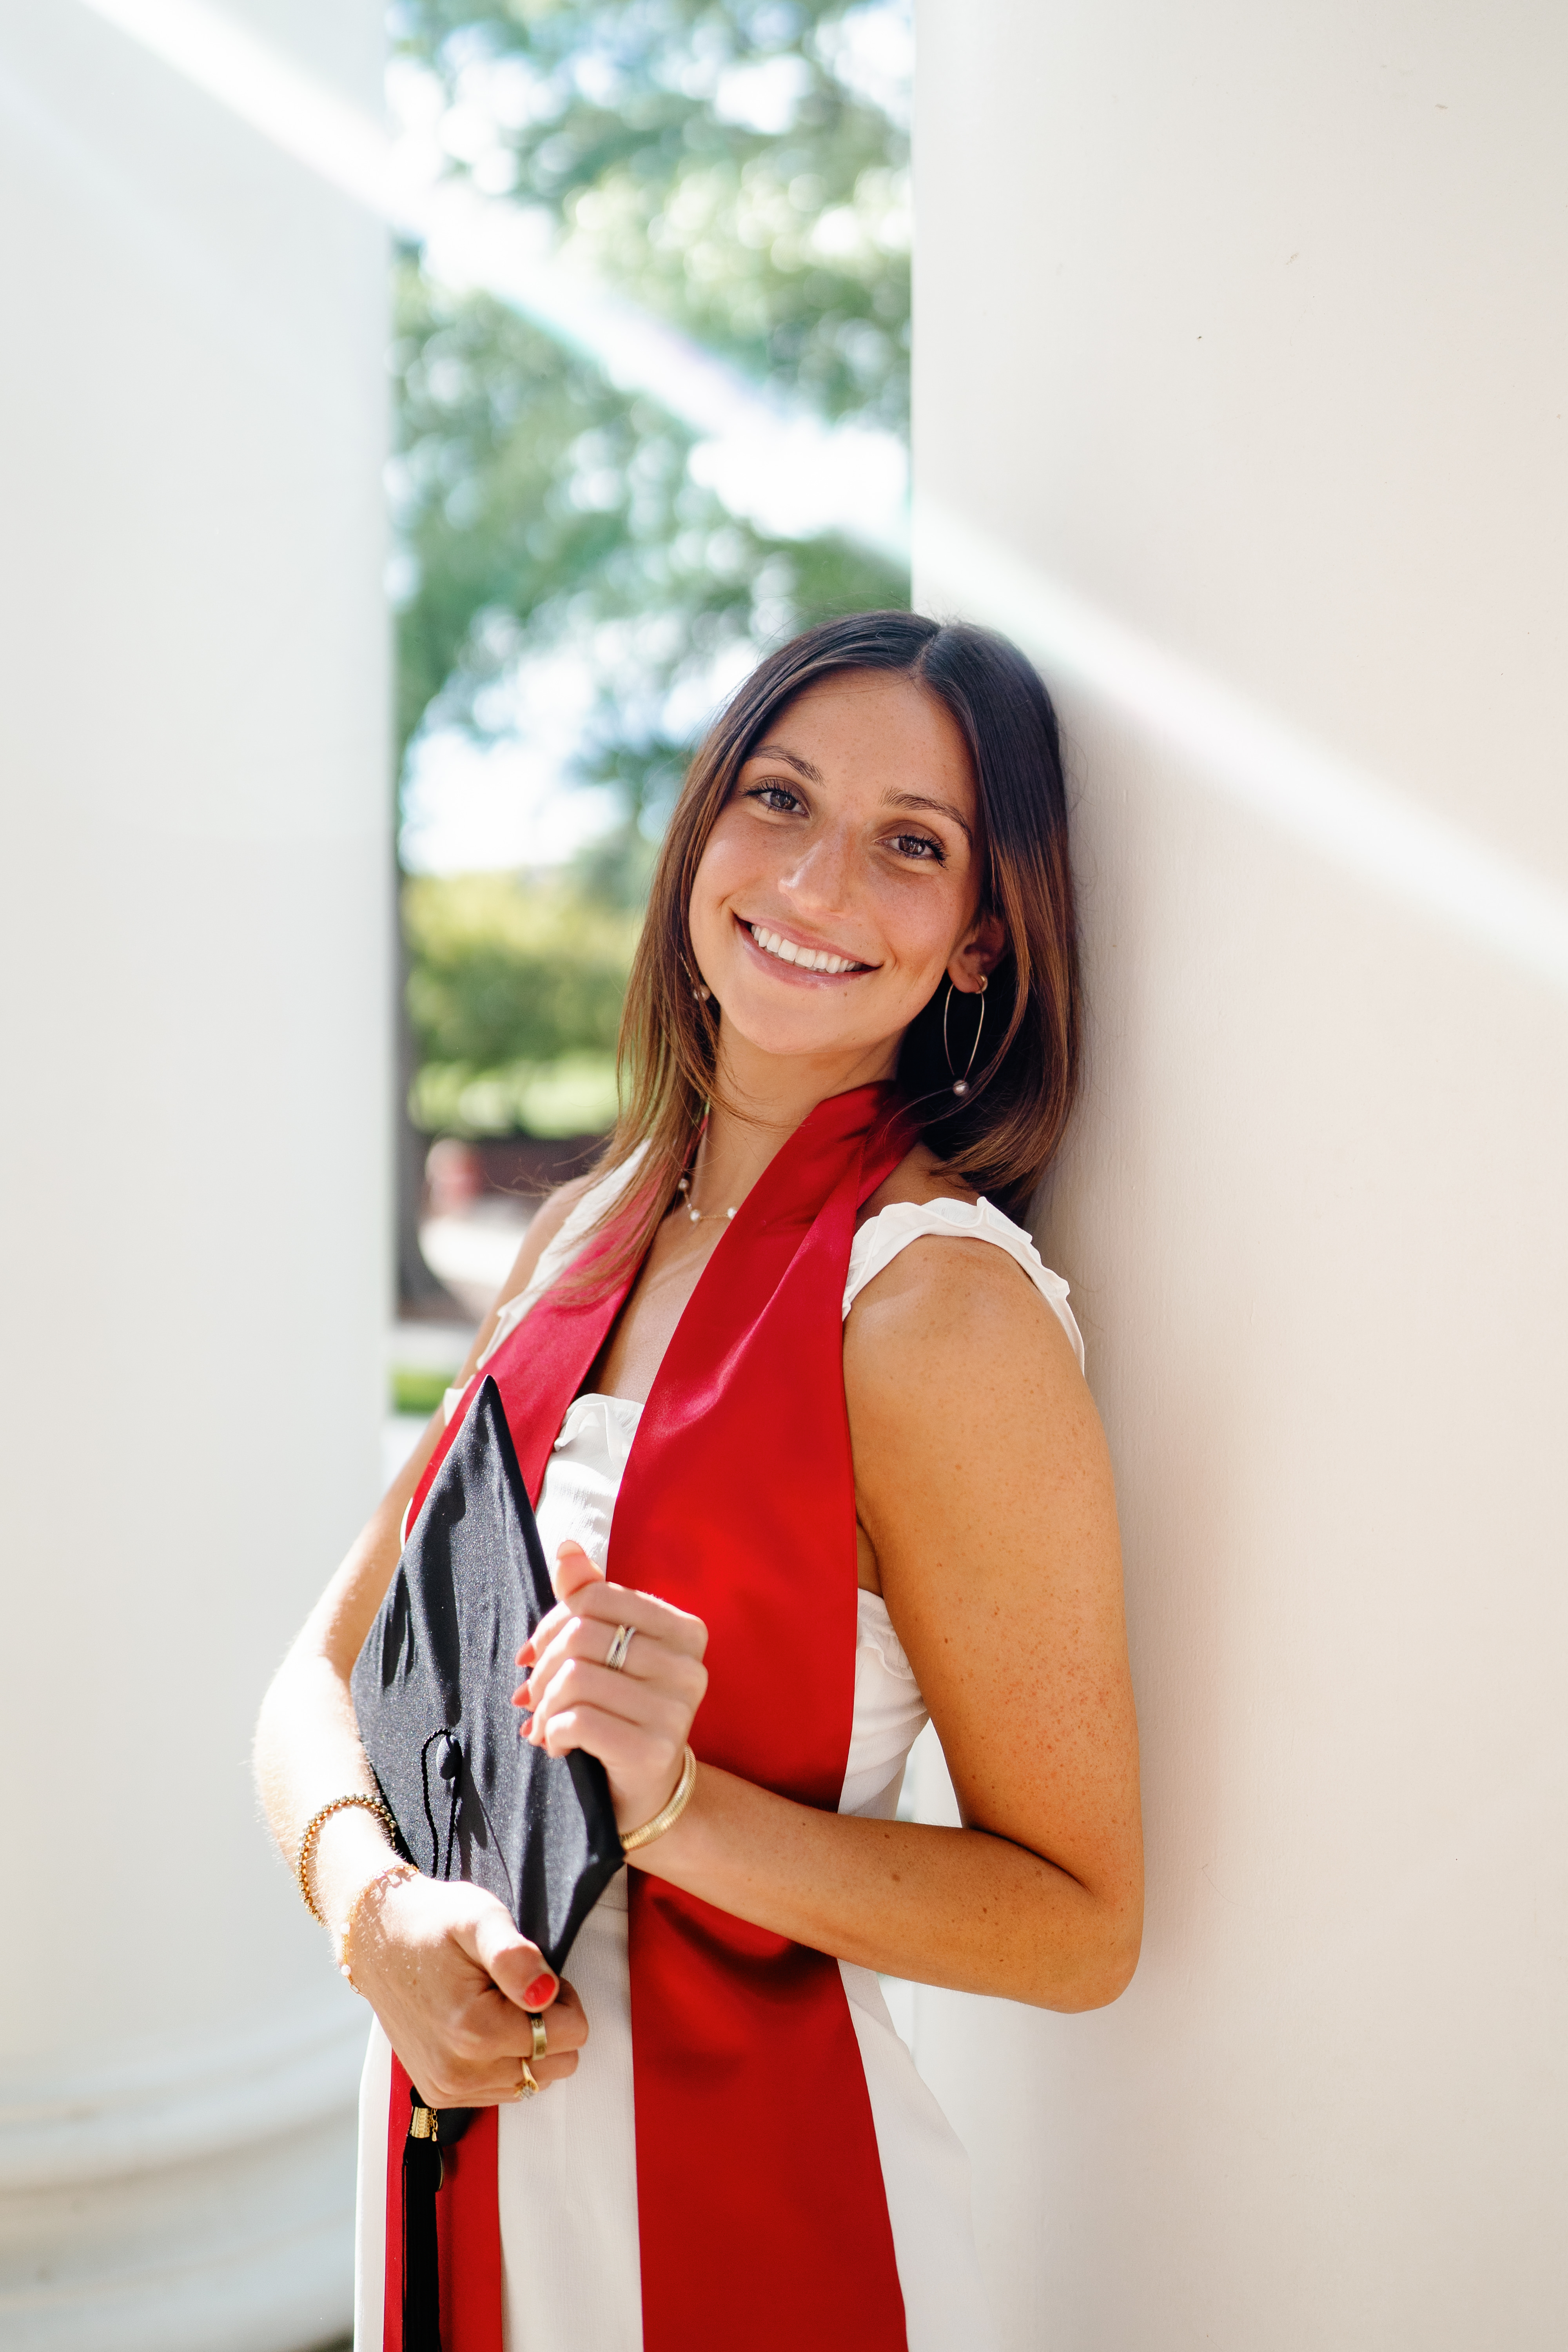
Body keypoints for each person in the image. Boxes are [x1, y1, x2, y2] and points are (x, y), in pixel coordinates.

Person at [255, 611, 1143, 2352]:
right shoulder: (581, 1237)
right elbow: (318, 1680)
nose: (815, 883)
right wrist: (371, 1911)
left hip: (750, 2227)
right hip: (454, 2163)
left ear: (978, 944)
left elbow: (1080, 1925)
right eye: (777, 797)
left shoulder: (934, 1314)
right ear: (698, 842)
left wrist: (674, 1812)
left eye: (911, 845)